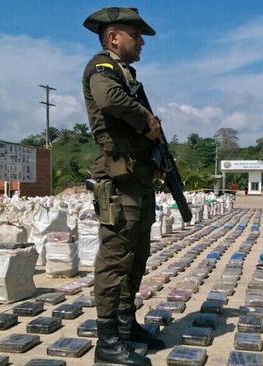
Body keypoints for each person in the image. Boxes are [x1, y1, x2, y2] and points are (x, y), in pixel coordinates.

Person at [82, 7, 162, 366]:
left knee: (137, 257)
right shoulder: (102, 69)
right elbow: (109, 100)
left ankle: (127, 328)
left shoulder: (127, 74)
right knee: (115, 260)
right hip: (118, 182)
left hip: (138, 181)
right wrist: (147, 121)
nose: (142, 41)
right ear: (114, 37)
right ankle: (108, 338)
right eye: (136, 34)